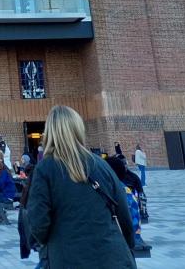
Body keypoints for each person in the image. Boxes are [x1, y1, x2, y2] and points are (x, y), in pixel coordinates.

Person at [25, 104, 136, 269]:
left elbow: (38, 224)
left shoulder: (45, 168)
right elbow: (124, 215)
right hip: (113, 257)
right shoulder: (101, 164)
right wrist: (128, 246)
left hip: (68, 258)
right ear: (78, 129)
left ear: (49, 133)